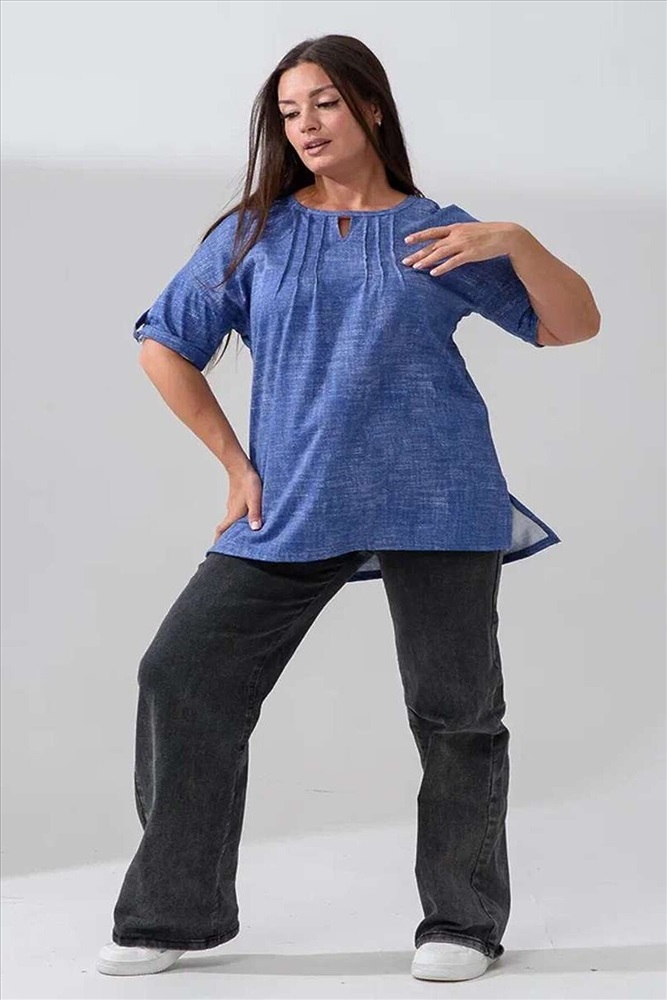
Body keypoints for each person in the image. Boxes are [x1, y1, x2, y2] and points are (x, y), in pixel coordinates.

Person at [96, 33, 600, 982]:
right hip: (295, 500)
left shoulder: (437, 231)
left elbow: (569, 325)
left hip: (438, 496)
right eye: (289, 112)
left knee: (455, 714)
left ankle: (461, 924)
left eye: (323, 103)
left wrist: (517, 241)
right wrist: (235, 466)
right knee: (181, 673)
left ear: (369, 106)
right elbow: (163, 344)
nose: (306, 126)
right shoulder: (255, 233)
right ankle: (172, 913)